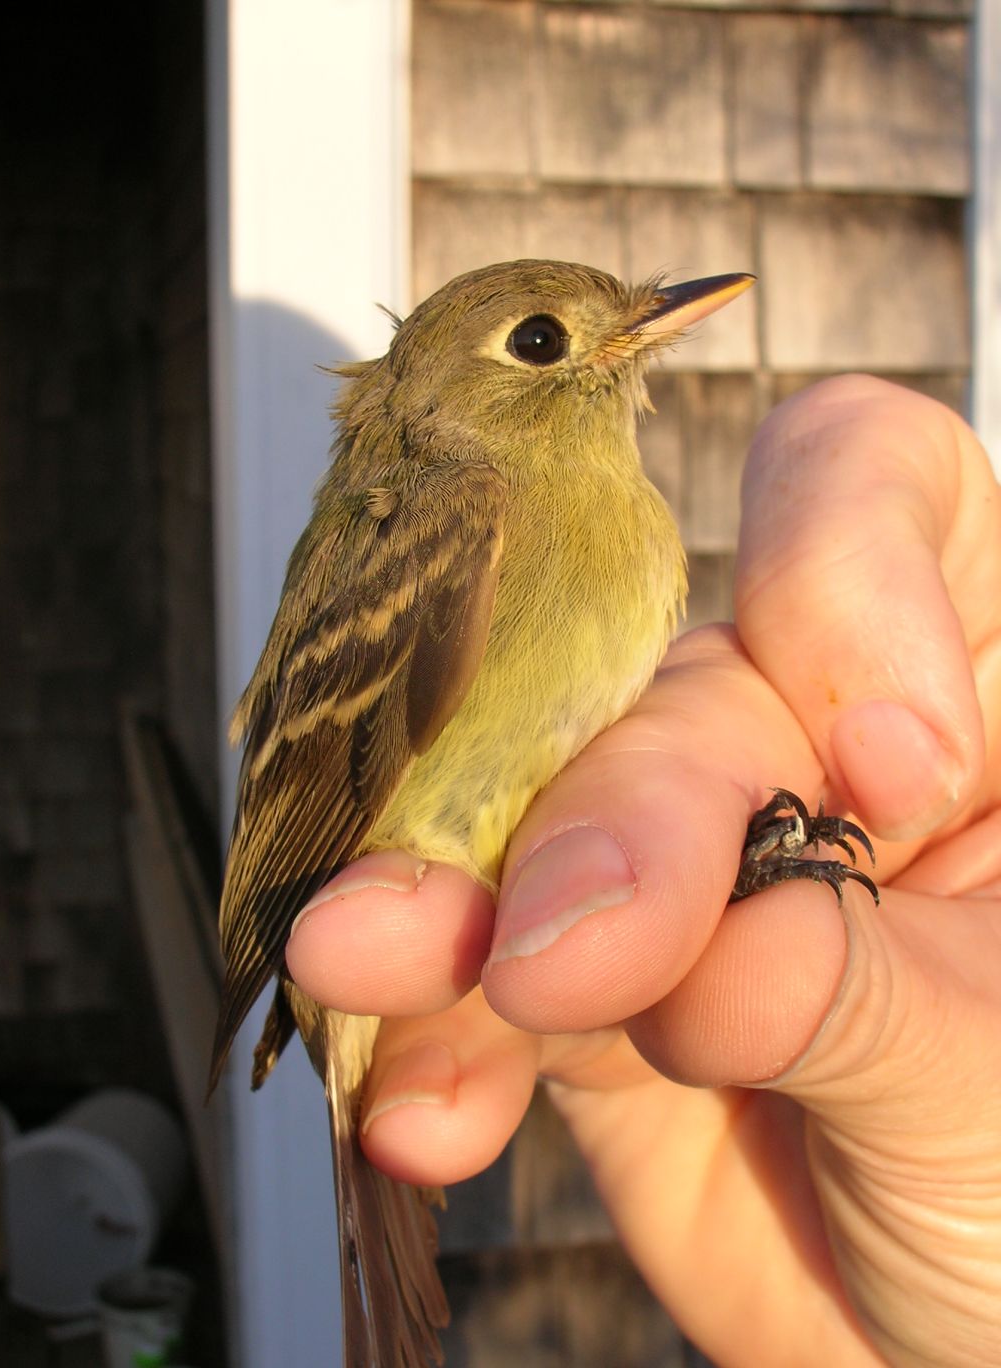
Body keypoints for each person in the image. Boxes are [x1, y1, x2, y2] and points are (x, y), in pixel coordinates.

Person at [285, 374, 1001, 1367]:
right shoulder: (453, 508)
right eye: (542, 345)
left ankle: (702, 919)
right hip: (372, 883)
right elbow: (320, 786)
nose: (609, 354)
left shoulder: (609, 523)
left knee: (632, 886)